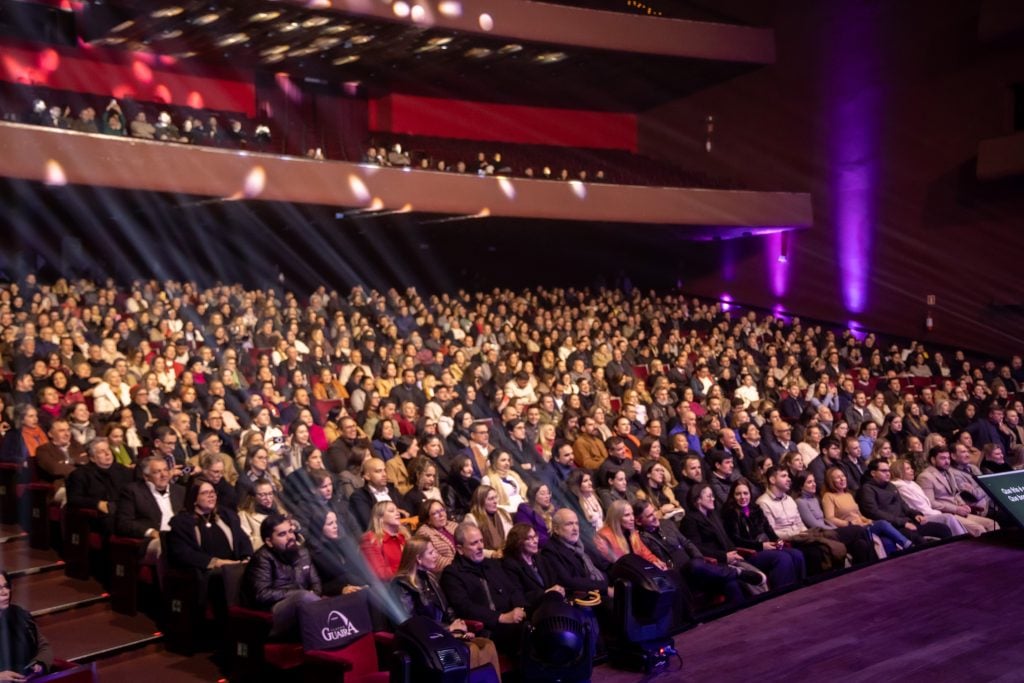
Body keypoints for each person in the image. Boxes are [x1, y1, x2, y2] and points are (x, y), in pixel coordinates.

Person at [391, 538, 502, 680]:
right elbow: (411, 625)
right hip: (426, 644)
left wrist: (459, 626)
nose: (436, 555)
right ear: (418, 558)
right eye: (431, 553)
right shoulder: (401, 585)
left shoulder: (430, 578)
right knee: (471, 649)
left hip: (445, 635)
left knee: (487, 645)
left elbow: (447, 609)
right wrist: (447, 630)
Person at [635, 500, 750, 611]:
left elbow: (687, 543)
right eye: (649, 516)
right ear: (639, 522)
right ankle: (736, 572)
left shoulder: (667, 524)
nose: (655, 516)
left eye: (654, 511)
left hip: (698, 570)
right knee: (695, 565)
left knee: (730, 583)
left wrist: (700, 559)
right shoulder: (642, 539)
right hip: (680, 576)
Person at [440, 523, 528, 656]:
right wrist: (501, 617)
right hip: (486, 628)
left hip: (512, 620)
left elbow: (514, 589)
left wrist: (519, 608)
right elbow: (465, 607)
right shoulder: (452, 574)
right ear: (460, 549)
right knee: (526, 633)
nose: (481, 546)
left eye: (481, 541)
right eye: (474, 543)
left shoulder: (492, 564)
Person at [241, 513, 321, 638]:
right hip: (275, 610)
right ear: (269, 541)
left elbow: (316, 583)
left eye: (290, 531)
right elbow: (261, 594)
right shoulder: (262, 558)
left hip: (305, 602)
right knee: (303, 597)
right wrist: (297, 594)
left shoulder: (302, 552)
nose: (290, 537)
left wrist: (312, 594)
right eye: (282, 534)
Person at [755, 468, 847, 575]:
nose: (789, 479)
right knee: (815, 553)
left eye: (788, 476)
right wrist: (798, 534)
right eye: (784, 476)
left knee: (829, 545)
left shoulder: (789, 499)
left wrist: (805, 533)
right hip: (786, 541)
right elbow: (772, 532)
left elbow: (800, 523)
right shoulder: (763, 503)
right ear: (772, 480)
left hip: (801, 537)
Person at [856, 458, 955, 545]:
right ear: (873, 473)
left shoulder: (890, 486)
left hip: (907, 522)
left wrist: (915, 514)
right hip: (893, 527)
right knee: (918, 540)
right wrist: (903, 523)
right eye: (883, 471)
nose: (888, 473)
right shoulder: (867, 489)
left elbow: (903, 505)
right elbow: (874, 513)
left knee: (943, 529)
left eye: (888, 471)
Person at [790, 471, 877, 565]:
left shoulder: (814, 499)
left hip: (829, 530)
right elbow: (814, 524)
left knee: (860, 544)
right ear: (801, 486)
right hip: (821, 534)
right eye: (809, 482)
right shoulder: (800, 502)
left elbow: (824, 520)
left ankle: (864, 570)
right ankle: (876, 563)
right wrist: (835, 529)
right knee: (858, 530)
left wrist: (834, 528)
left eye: (814, 481)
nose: (814, 484)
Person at [820, 467, 911, 554]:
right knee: (882, 524)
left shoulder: (848, 494)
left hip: (862, 525)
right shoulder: (828, 496)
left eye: (843, 476)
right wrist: (849, 524)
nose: (842, 479)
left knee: (886, 540)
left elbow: (858, 515)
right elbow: (829, 518)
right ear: (831, 481)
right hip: (851, 530)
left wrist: (867, 520)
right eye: (837, 477)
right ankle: (908, 545)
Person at [115, 455, 186, 563]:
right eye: (157, 472)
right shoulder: (132, 491)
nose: (164, 475)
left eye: (166, 470)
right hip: (154, 540)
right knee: (170, 548)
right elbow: (124, 523)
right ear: (146, 476)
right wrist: (150, 532)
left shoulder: (180, 491)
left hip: (180, 537)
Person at [916, 446, 999, 536]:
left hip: (958, 511)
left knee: (992, 524)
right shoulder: (925, 477)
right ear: (933, 460)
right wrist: (955, 509)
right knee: (978, 529)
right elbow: (931, 503)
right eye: (943, 458)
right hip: (946, 513)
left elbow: (956, 494)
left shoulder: (948, 472)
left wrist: (962, 504)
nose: (947, 461)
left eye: (948, 458)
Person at [66, 437, 133, 535]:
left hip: (124, 511)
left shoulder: (123, 470)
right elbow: (74, 499)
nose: (107, 453)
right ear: (92, 458)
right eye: (101, 452)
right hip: (100, 516)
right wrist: (96, 503)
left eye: (108, 449)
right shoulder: (80, 474)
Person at [889, 458, 969, 537]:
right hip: (920, 517)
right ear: (899, 471)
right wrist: (938, 513)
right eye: (908, 469)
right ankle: (963, 540)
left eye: (911, 468)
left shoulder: (912, 484)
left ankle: (964, 539)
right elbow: (920, 508)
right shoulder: (901, 487)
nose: (912, 470)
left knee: (950, 517)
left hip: (929, 512)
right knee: (948, 518)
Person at [305, 507, 370, 595]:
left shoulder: (344, 542)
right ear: (319, 527)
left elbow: (361, 569)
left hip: (361, 587)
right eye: (330, 524)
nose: (335, 526)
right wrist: (342, 589)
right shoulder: (313, 553)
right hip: (337, 595)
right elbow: (319, 586)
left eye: (336, 522)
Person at [0, 569, 52, 678]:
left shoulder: (21, 616)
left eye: (6, 586)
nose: (5, 592)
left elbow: (43, 646)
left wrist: (39, 664)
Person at [501, 524, 564, 608]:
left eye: (535, 536)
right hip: (532, 611)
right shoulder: (510, 565)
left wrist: (559, 589)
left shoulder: (541, 559)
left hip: (551, 605)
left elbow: (554, 581)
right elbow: (518, 597)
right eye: (530, 538)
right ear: (518, 542)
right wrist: (546, 593)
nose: (535, 541)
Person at [359, 501, 410, 580]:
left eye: (397, 510)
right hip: (391, 587)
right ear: (380, 518)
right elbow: (380, 573)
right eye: (391, 511)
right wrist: (407, 571)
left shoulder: (404, 535)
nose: (397, 513)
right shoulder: (371, 539)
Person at [415, 499, 459, 574]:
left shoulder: (453, 525)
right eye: (435, 513)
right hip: (446, 573)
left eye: (442, 510)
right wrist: (461, 565)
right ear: (427, 519)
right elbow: (436, 561)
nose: (441, 515)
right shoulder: (423, 533)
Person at [239, 480, 286, 550]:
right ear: (253, 496)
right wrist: (274, 540)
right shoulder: (244, 515)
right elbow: (248, 542)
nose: (268, 498)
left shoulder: (279, 510)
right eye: (262, 495)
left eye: (270, 493)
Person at [468, 485, 513, 557]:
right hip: (486, 558)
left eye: (496, 497)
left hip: (508, 553)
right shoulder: (471, 518)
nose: (495, 501)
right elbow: (471, 547)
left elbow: (511, 537)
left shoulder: (504, 513)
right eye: (491, 499)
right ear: (481, 502)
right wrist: (492, 554)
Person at [513, 482, 555, 547]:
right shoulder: (525, 511)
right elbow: (527, 534)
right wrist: (553, 543)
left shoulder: (554, 510)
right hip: (540, 548)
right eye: (542, 494)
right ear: (533, 496)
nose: (547, 496)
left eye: (548, 493)